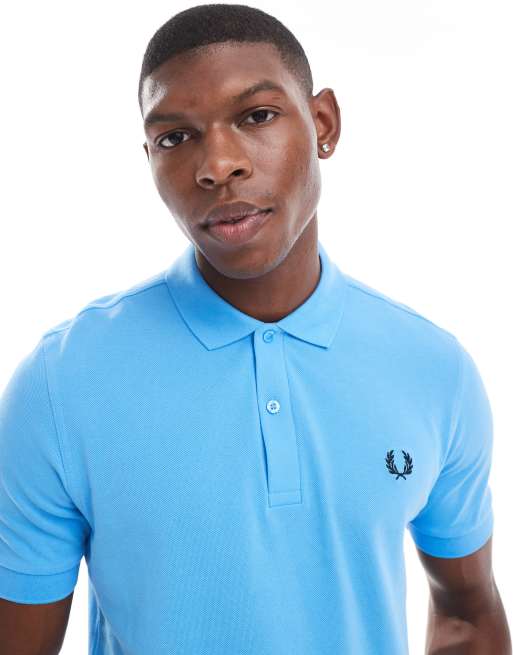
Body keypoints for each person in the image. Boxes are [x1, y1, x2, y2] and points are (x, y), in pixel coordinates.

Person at [0, 4, 510, 654]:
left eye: (257, 115)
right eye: (175, 137)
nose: (217, 164)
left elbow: (467, 613)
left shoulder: (434, 369)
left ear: (323, 124)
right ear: (149, 159)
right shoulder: (61, 383)